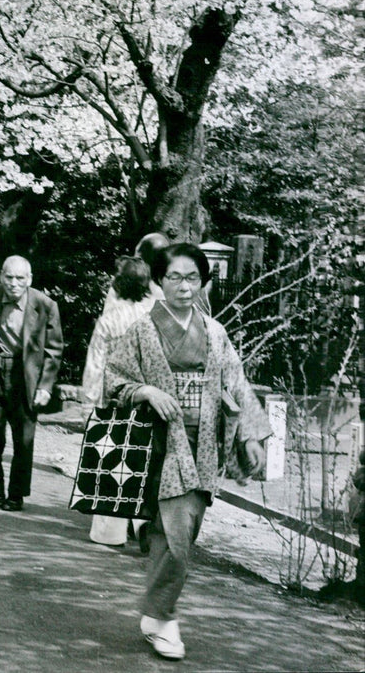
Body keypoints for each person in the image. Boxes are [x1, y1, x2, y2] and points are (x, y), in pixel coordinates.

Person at [105, 242, 270, 661]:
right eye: (174, 277)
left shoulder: (215, 333)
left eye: (192, 277)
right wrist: (146, 390)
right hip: (159, 443)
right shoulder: (143, 330)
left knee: (180, 531)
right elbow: (114, 379)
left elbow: (237, 383)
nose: (183, 286)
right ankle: (164, 619)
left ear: (203, 281)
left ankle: (154, 612)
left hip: (203, 445)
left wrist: (251, 435)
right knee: (177, 539)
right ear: (159, 281)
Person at [81, 231, 170, 546]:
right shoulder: (157, 313)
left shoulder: (110, 319)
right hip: (147, 397)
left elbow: (97, 363)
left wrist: (90, 401)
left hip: (115, 396)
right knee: (145, 462)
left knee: (111, 463)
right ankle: (144, 522)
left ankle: (111, 532)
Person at [0, 255, 63, 512]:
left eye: (20, 278)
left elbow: (54, 348)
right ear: (1, 277)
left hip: (26, 376)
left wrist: (45, 386)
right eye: (9, 277)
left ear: (29, 279)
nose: (14, 284)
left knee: (23, 439)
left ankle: (16, 494)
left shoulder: (45, 304)